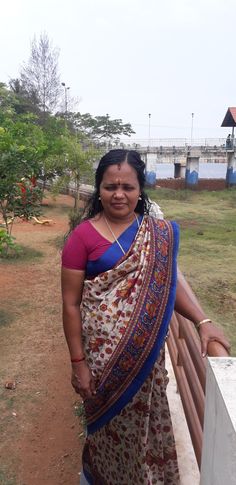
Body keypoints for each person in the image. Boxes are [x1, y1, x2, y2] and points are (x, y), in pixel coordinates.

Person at [61, 149, 230, 485]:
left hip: (146, 364)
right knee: (108, 433)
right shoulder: (82, 237)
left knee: (145, 432)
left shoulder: (157, 234)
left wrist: (202, 321)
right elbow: (69, 304)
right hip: (100, 365)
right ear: (99, 189)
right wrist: (78, 362)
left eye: (128, 186)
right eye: (110, 187)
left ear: (141, 189)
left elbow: (170, 282)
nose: (119, 194)